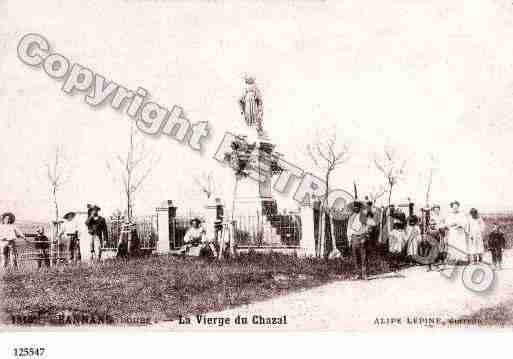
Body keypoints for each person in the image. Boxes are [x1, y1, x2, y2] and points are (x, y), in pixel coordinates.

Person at [347, 202, 376, 280]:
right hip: (354, 237)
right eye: (354, 207)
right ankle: (357, 273)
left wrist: (365, 235)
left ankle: (364, 274)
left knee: (363, 256)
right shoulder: (351, 216)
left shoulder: (363, 216)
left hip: (362, 236)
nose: (356, 208)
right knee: (355, 256)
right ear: (353, 208)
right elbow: (349, 228)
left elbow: (371, 224)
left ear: (359, 208)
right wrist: (350, 239)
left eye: (357, 207)